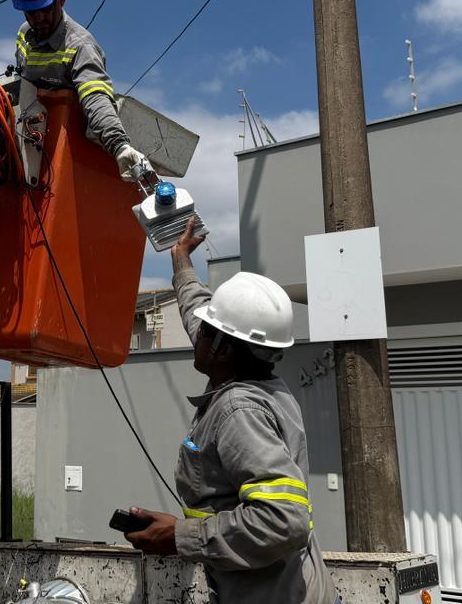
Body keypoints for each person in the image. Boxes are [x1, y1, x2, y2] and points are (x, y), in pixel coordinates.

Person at [125, 218, 338, 604]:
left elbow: (283, 520)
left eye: (206, 332)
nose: (197, 333)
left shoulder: (239, 411)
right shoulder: (256, 378)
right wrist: (181, 261)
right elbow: (200, 314)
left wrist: (178, 537)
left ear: (224, 348)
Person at [10, 0, 149, 181]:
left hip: (68, 153)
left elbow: (95, 95)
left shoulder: (80, 45)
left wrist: (119, 145)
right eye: (31, 13)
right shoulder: (25, 34)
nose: (38, 19)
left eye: (45, 9)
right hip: (32, 144)